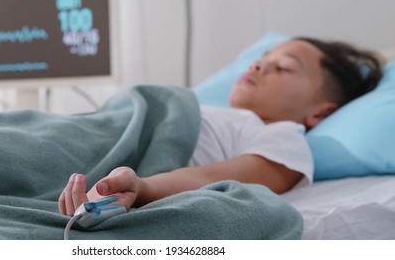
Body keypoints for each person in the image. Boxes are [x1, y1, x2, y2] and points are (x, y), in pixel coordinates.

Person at [58, 37, 383, 217]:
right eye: (264, 57)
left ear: (320, 114)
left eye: (283, 68)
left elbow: (209, 179)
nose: (258, 63)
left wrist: (140, 188)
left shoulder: (283, 137)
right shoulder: (206, 109)